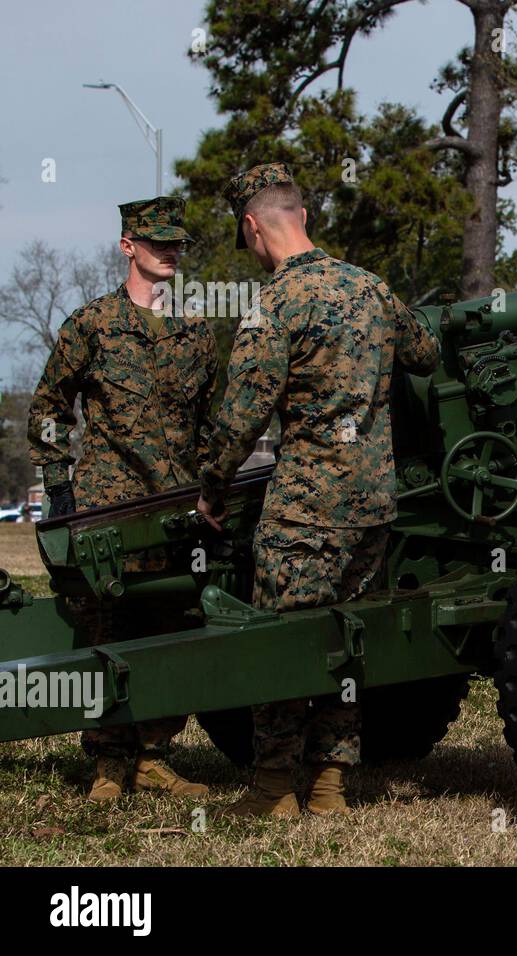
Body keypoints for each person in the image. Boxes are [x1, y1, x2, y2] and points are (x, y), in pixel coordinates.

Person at [197, 163, 439, 818]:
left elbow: (243, 414)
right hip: (373, 502)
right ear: (303, 216)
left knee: (281, 639)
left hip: (306, 503)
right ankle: (331, 783)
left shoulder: (273, 306)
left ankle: (275, 788)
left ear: (252, 227)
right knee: (345, 636)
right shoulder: (373, 290)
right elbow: (425, 352)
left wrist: (213, 488)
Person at [27, 196, 218, 802]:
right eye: (157, 241)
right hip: (109, 505)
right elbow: (48, 409)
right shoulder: (91, 325)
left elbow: (215, 423)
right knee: (105, 627)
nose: (171, 252)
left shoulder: (197, 332)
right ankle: (109, 762)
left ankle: (155, 757)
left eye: (177, 243)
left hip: (178, 507)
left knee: (174, 627)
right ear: (128, 246)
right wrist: (58, 485)